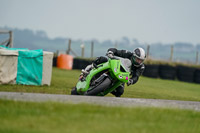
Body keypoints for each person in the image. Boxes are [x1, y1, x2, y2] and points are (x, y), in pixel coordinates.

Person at [81, 47, 146, 97]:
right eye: (138, 59)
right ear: (134, 56)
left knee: (120, 92)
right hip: (114, 67)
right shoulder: (127, 54)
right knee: (102, 59)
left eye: (141, 60)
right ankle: (88, 70)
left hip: (122, 76)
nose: (139, 62)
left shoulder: (141, 67)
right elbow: (115, 50)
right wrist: (111, 52)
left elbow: (136, 76)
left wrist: (131, 81)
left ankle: (105, 88)